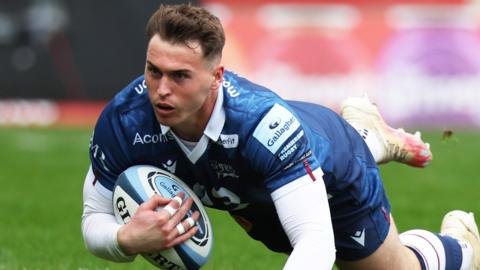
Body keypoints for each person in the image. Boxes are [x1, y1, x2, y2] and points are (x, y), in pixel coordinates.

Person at [81, 4, 479, 270]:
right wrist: (125, 238)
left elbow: (316, 240)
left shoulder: (261, 124)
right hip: (250, 190)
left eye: (180, 75)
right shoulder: (124, 119)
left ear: (217, 77)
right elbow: (92, 218)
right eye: (154, 71)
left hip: (332, 174)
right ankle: (368, 135)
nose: (161, 89)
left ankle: (461, 247)